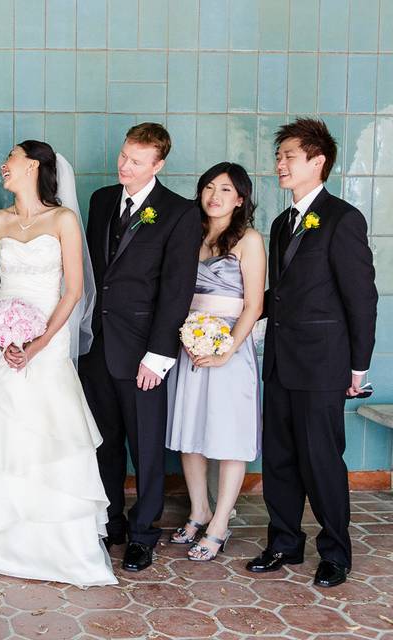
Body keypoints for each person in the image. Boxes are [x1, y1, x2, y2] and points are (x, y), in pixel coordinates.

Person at [0, 141, 116, 586]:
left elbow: (74, 291)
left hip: (47, 339)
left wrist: (37, 343)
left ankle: (53, 548)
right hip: (0, 338)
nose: (2, 165)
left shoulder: (64, 220)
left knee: (47, 429)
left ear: (32, 165)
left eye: (9, 158)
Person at [247, 119, 377, 588]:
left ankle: (335, 552)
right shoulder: (283, 223)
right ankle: (283, 541)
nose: (280, 164)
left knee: (321, 458)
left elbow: (361, 298)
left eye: (289, 157)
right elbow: (278, 293)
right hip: (281, 360)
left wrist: (357, 366)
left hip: (323, 364)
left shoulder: (343, 219)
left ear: (317, 161)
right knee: (279, 457)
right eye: (278, 156)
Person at [79, 123, 201, 572]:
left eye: (136, 160)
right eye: (123, 155)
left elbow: (177, 289)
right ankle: (110, 522)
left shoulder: (180, 212)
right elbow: (93, 275)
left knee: (147, 446)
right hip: (97, 347)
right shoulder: (101, 201)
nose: (124, 166)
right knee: (104, 443)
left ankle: (144, 532)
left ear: (158, 164)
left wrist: (159, 355)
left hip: (143, 352)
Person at [165, 162, 265, 561]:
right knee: (189, 432)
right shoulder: (190, 236)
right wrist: (190, 339)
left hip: (230, 347)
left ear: (240, 199)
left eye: (225, 190)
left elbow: (254, 304)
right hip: (190, 342)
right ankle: (199, 509)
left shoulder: (250, 240)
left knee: (228, 437)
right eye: (208, 187)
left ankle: (220, 523)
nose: (214, 195)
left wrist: (225, 350)